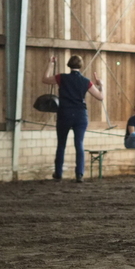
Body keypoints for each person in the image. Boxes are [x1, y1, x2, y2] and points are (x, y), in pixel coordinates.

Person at [42, 55, 103, 183]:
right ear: (80, 66)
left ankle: (58, 173)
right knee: (79, 144)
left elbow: (45, 79)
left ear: (69, 65)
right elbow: (100, 97)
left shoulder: (61, 78)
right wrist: (100, 85)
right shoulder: (86, 81)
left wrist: (50, 64)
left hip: (65, 114)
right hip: (80, 115)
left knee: (61, 144)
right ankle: (79, 174)